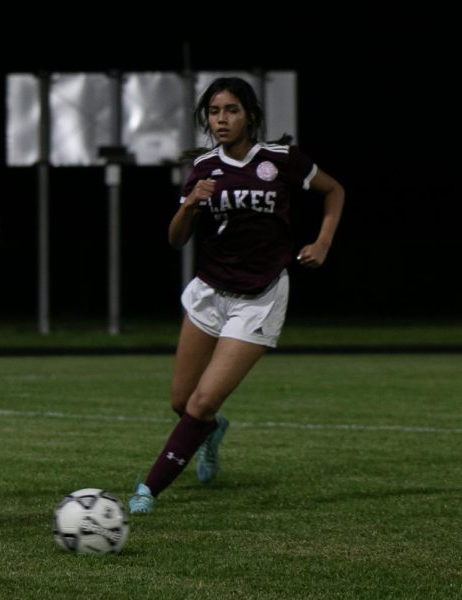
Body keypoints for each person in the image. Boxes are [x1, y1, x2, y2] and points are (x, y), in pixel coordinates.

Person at [128, 77, 345, 514]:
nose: (221, 119)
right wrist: (189, 204)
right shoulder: (204, 168)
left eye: (230, 110)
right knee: (181, 402)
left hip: (260, 296)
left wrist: (322, 243)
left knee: (203, 401)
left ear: (250, 114)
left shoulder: (281, 160)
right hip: (210, 291)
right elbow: (175, 240)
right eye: (213, 112)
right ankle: (210, 432)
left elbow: (334, 191)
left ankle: (147, 490)